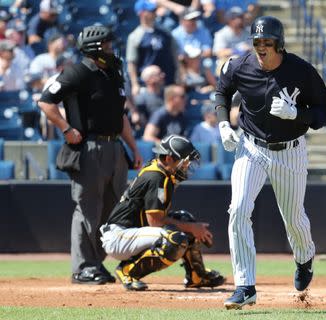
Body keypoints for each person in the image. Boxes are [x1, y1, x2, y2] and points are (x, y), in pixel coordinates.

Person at [215, 16, 326, 309]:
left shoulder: (301, 71)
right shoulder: (240, 65)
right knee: (239, 208)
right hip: (251, 147)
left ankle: (304, 258)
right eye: (257, 42)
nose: (261, 48)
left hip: (290, 150)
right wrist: (222, 123)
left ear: (279, 44)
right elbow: (222, 90)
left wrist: (298, 115)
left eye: (267, 42)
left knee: (293, 218)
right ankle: (245, 286)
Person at [38, 25, 143, 285]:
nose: (111, 49)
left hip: (115, 147)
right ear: (95, 48)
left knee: (113, 210)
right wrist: (66, 128)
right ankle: (83, 267)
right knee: (87, 209)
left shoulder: (114, 74)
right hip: (89, 147)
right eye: (107, 45)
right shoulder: (77, 72)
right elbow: (45, 101)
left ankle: (96, 263)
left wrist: (134, 148)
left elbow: (122, 116)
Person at [100, 134, 226, 291]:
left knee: (184, 219)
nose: (186, 166)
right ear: (168, 158)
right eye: (183, 162)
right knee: (175, 239)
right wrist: (192, 229)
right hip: (119, 237)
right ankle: (128, 271)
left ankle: (196, 276)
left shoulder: (161, 171)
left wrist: (189, 227)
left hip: (131, 233)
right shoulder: (157, 177)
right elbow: (155, 221)